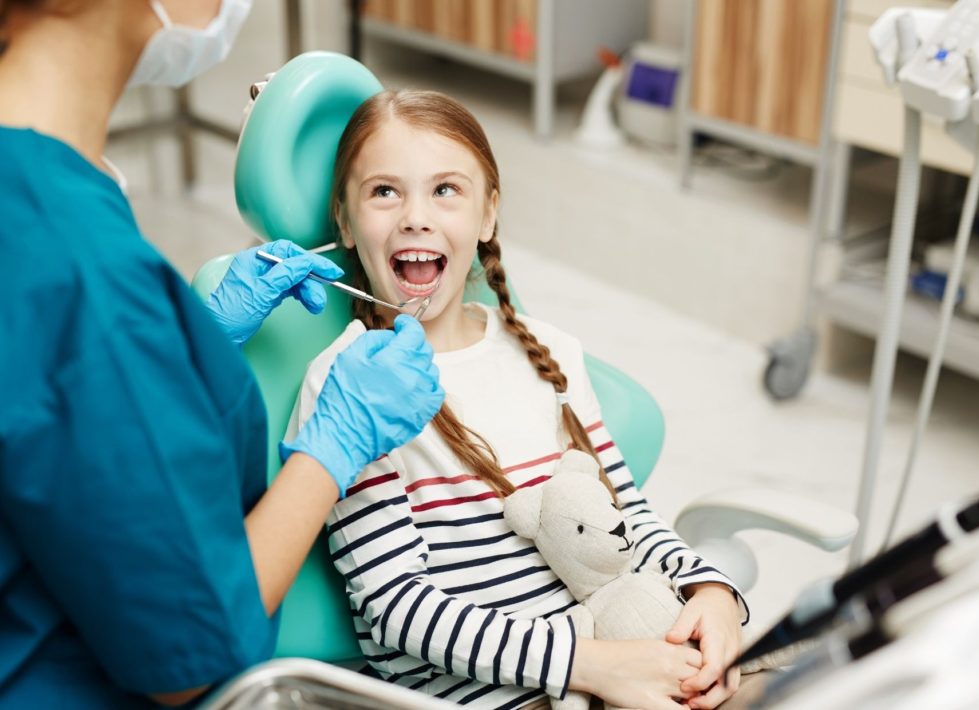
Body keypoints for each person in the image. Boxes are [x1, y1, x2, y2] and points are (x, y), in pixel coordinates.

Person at [0, 2, 443, 707]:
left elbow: (51, 411)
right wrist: (333, 448)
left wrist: (184, 344)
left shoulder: (50, 201)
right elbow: (187, 660)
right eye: (385, 192)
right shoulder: (78, 268)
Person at [287, 89, 749, 710]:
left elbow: (627, 515)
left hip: (613, 665)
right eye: (384, 191)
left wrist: (710, 595)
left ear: (487, 215)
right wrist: (594, 667)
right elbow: (399, 611)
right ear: (345, 221)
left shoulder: (550, 354)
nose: (415, 216)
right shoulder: (346, 386)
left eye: (446, 189)